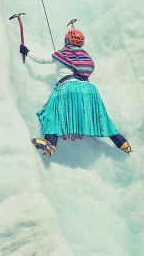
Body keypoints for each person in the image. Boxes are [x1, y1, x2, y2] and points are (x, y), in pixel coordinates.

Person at [20, 25, 131, 157]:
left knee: (52, 111)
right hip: (89, 89)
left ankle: (50, 143)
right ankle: (121, 142)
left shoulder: (64, 53)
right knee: (101, 116)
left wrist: (27, 51)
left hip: (68, 86)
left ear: (67, 41)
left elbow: (42, 60)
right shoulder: (85, 56)